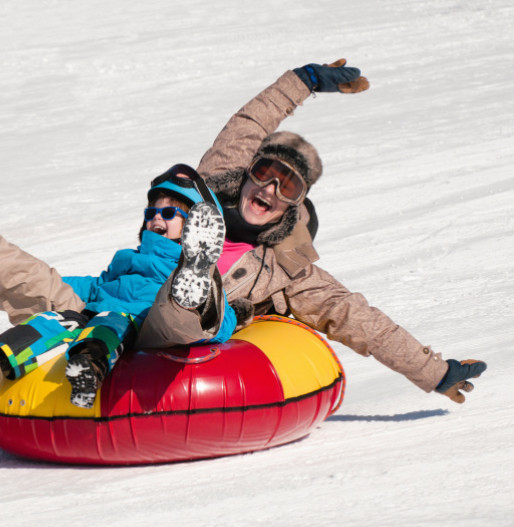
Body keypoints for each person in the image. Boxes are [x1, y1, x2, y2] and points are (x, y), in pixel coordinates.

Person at [134, 60, 487, 403]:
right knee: (82, 292)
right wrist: (307, 79)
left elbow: (358, 319)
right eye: (265, 172)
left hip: (181, 332)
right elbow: (252, 121)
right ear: (249, 172)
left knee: (181, 310)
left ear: (294, 204)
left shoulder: (286, 270)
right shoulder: (213, 182)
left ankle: (195, 285)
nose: (270, 189)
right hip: (132, 302)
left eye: (286, 187)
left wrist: (435, 372)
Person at [0, 120, 235, 408]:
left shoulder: (190, 264)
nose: (156, 217)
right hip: (97, 317)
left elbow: (228, 321)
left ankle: (196, 289)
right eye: (152, 209)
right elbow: (92, 288)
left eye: (171, 213)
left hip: (151, 329)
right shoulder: (126, 260)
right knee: (21, 271)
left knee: (174, 307)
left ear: (197, 226)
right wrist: (32, 285)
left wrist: (217, 307)